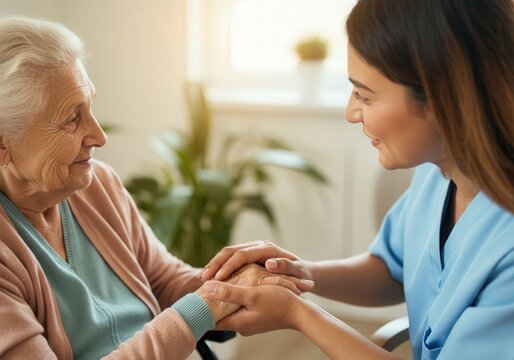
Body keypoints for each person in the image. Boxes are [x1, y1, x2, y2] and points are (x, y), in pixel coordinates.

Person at [200, 0, 514, 359]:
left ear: (444, 99)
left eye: (364, 94)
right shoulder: (436, 173)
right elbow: (392, 270)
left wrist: (296, 313)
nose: (351, 112)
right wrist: (301, 272)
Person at [0, 17, 312, 359]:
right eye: (72, 119)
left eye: (90, 107)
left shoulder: (97, 184)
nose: (99, 136)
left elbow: (163, 280)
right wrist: (209, 302)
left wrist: (241, 279)